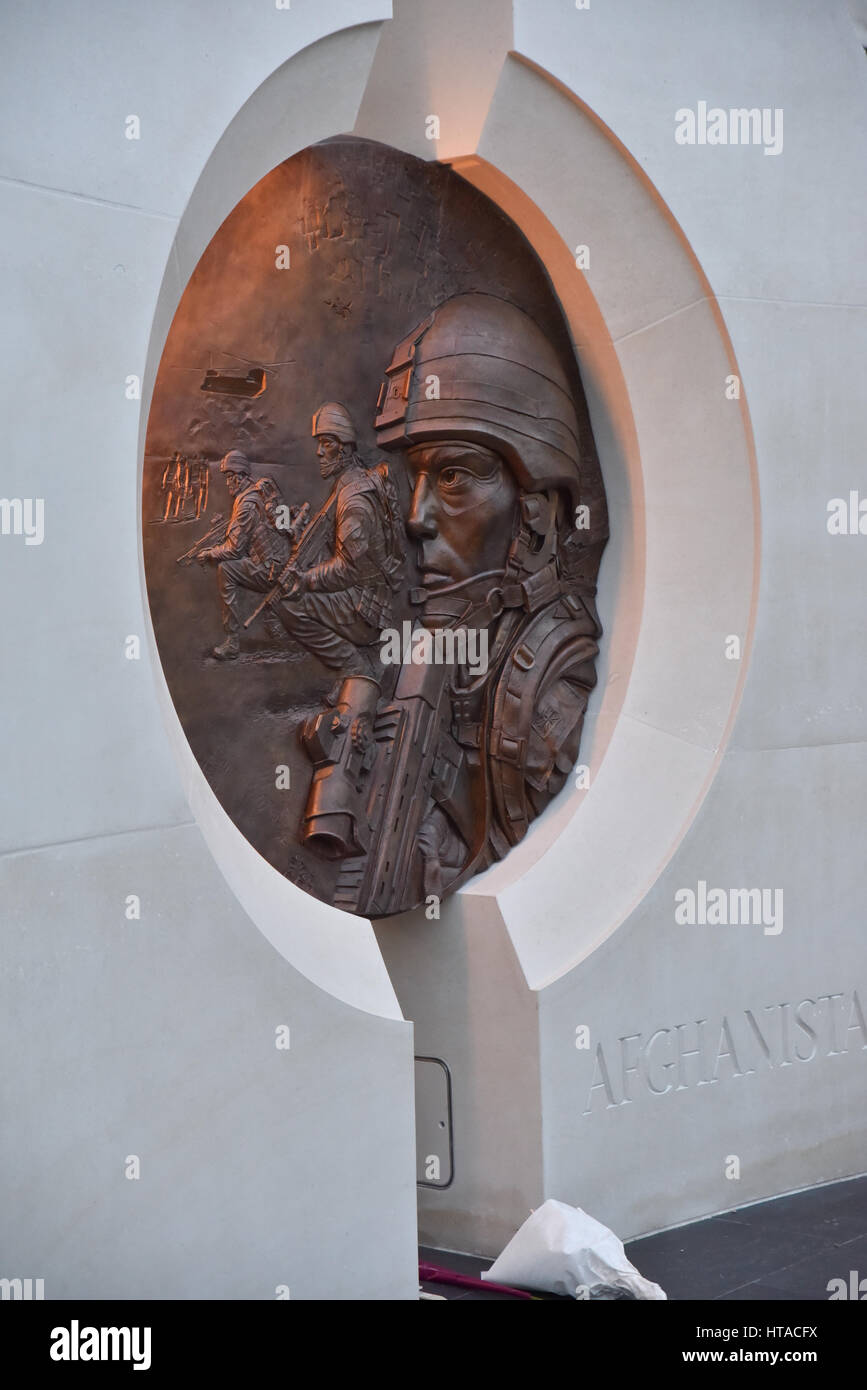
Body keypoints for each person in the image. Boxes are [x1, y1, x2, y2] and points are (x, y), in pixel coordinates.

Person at [373, 291, 603, 896]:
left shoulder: (551, 686)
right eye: (414, 478)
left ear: (535, 512)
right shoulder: (451, 646)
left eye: (452, 476)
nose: (416, 517)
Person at [273, 402, 403, 679]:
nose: (319, 452)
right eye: (319, 443)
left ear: (343, 448)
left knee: (288, 604)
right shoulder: (350, 483)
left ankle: (353, 668)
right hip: (364, 593)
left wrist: (306, 580)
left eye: (326, 443)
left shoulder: (353, 499)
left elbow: (348, 569)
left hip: (366, 608)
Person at [196, 450, 290, 659]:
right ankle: (275, 618)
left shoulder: (246, 504)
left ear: (240, 476)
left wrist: (210, 554)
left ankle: (232, 642)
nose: (228, 483)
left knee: (226, 569)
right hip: (287, 563)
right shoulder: (262, 492)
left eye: (230, 478)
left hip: (270, 570)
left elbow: (234, 549)